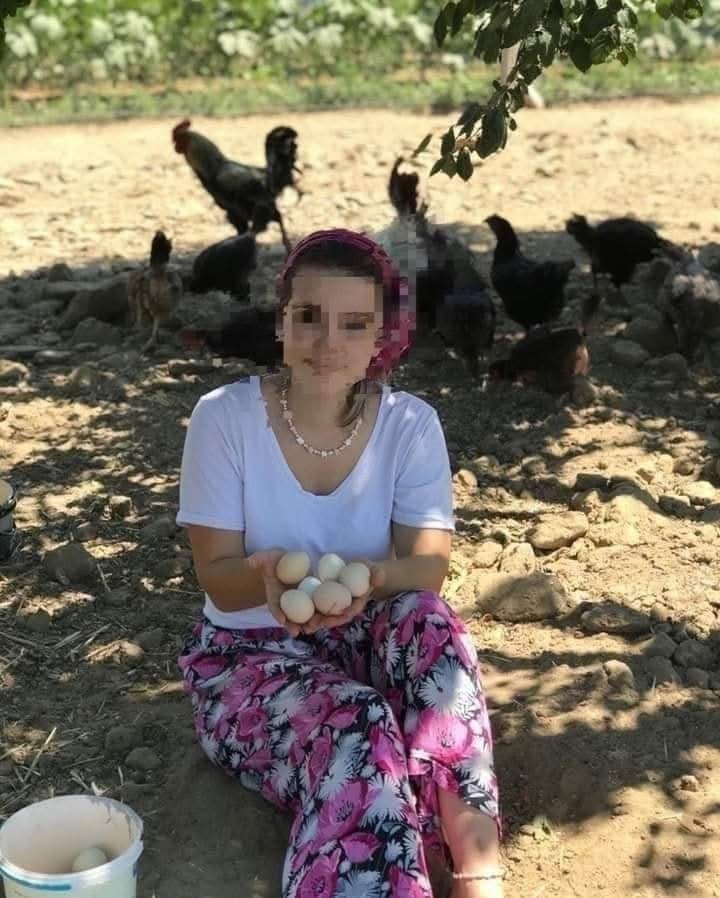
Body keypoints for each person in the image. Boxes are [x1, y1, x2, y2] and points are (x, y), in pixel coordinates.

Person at [176, 228, 504, 898]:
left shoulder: (410, 425)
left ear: (381, 334)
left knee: (430, 622)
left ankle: (477, 872)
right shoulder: (224, 420)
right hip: (247, 658)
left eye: (353, 324)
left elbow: (427, 567)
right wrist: (265, 577)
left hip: (363, 633)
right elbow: (219, 579)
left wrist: (374, 581)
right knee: (358, 722)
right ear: (281, 322)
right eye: (309, 317)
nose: (329, 343)